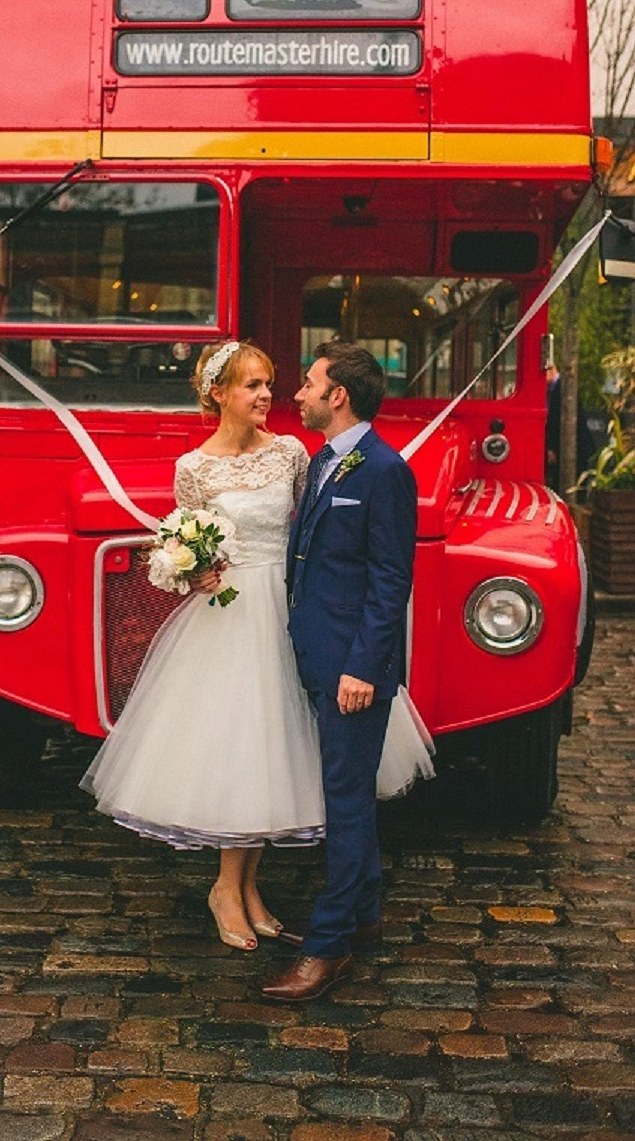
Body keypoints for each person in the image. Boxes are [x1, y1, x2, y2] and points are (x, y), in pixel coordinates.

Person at [81, 339, 433, 953]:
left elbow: (315, 528)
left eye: (272, 383)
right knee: (239, 748)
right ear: (218, 394)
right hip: (230, 617)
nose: (270, 394)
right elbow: (183, 539)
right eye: (253, 385)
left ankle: (247, 890)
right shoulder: (194, 468)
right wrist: (193, 571)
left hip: (293, 611)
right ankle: (227, 890)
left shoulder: (296, 453)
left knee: (278, 752)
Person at [262, 343, 420, 1003]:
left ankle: (329, 946)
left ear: (338, 397)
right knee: (347, 788)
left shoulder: (384, 471)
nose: (296, 392)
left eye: (307, 381)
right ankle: (366, 909)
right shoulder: (326, 461)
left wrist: (363, 666)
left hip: (354, 668)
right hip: (319, 652)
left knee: (345, 800)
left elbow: (391, 581)